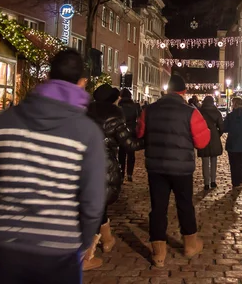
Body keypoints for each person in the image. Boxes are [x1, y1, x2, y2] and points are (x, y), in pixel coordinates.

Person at [0, 49, 106, 283]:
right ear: (81, 83)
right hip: (57, 253)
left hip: (3, 250)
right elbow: (93, 202)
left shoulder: (6, 120)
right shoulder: (87, 133)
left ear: (48, 76)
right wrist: (82, 242)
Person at [137, 74, 211, 267]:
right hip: (182, 168)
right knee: (185, 204)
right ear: (184, 92)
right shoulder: (191, 112)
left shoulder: (149, 110)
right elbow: (202, 142)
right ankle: (189, 245)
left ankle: (158, 253)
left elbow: (139, 133)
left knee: (158, 208)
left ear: (167, 90)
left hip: (156, 167)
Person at [86, 84, 143, 270]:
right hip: (103, 165)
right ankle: (88, 255)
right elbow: (129, 144)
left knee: (94, 203)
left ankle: (107, 239)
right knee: (97, 205)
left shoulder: (84, 111)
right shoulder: (114, 114)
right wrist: (149, 139)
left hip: (83, 163)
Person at [198, 96, 224, 190]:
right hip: (214, 136)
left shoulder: (200, 112)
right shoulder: (217, 112)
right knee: (214, 160)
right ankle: (213, 181)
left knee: (205, 161)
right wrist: (217, 134)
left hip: (203, 135)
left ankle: (206, 183)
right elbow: (221, 127)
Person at [224, 97, 242, 187]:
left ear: (234, 105)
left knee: (233, 163)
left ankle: (235, 180)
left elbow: (225, 128)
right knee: (240, 162)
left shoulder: (230, 116)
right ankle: (240, 178)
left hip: (232, 142)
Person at [118, 88, 141, 182]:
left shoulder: (119, 107)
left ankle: (122, 173)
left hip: (121, 131)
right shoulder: (135, 106)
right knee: (131, 153)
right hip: (132, 131)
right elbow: (139, 118)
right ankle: (130, 174)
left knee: (121, 154)